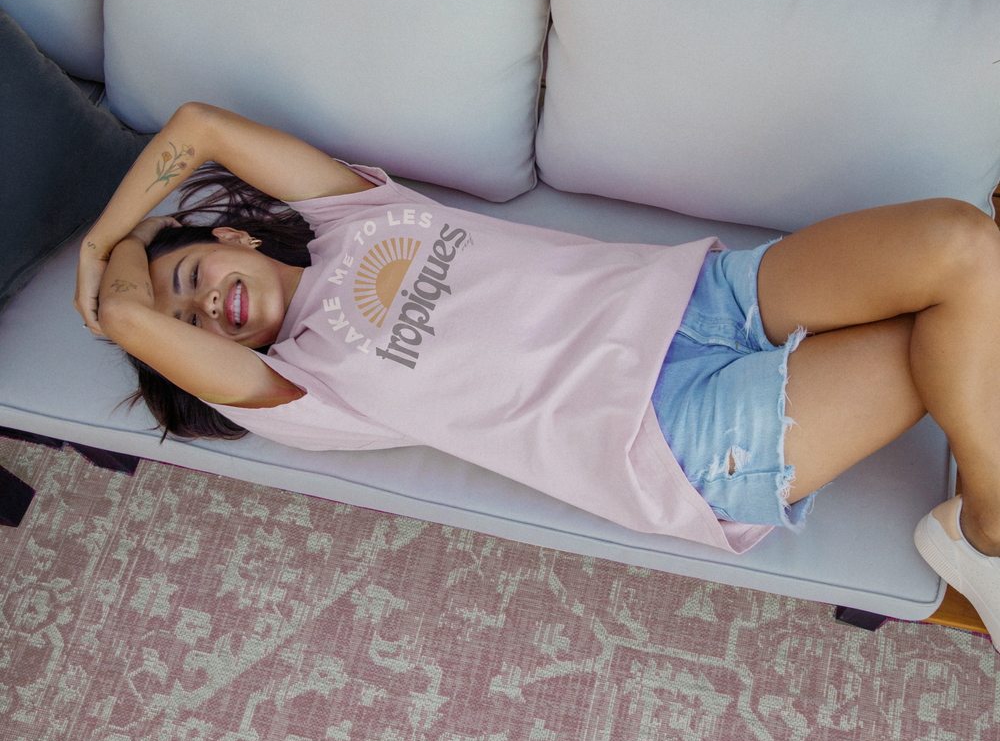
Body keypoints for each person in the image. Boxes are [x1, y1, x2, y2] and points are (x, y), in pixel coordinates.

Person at [76, 101, 1000, 645]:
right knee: (942, 336)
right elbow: (125, 318)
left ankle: (984, 521)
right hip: (668, 433)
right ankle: (989, 534)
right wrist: (121, 266)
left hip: (700, 296)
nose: (206, 308)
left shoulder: (348, 214)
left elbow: (199, 126)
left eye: (192, 280)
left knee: (963, 245)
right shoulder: (300, 391)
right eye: (190, 327)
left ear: (232, 237)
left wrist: (127, 231)